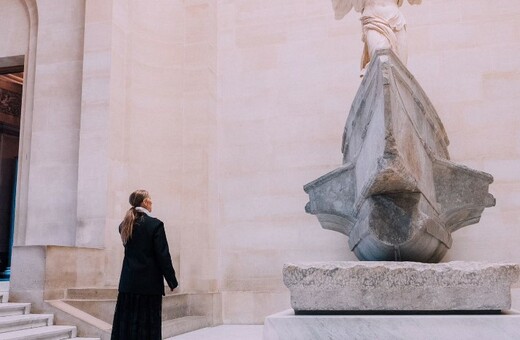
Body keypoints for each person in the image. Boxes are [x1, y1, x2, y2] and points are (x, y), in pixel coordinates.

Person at [111, 189, 178, 340]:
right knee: (147, 329)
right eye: (151, 200)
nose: (152, 203)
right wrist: (172, 281)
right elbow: (163, 256)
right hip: (149, 287)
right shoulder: (155, 225)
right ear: (146, 202)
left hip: (128, 285)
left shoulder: (124, 225)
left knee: (126, 328)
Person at [332, 0, 422, 72]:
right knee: (382, 60)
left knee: (400, 69)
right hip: (373, 18)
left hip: (397, 21)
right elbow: (338, 7)